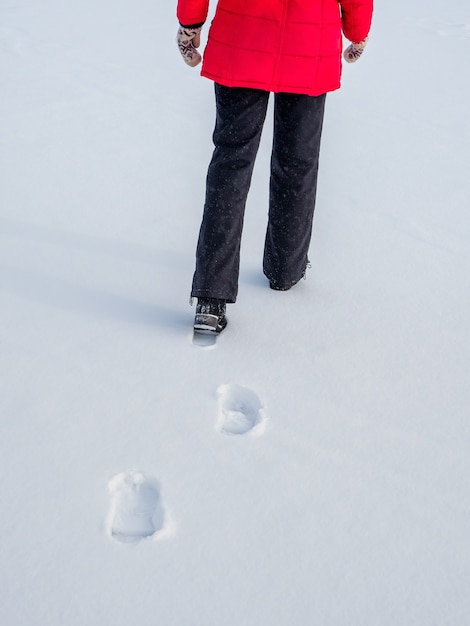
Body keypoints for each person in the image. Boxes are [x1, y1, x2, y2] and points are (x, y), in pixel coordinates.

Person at [176, 0, 373, 334]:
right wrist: (357, 31)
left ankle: (211, 296)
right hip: (311, 41)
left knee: (230, 165)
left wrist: (190, 21)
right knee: (298, 162)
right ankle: (286, 269)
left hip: (243, 35)